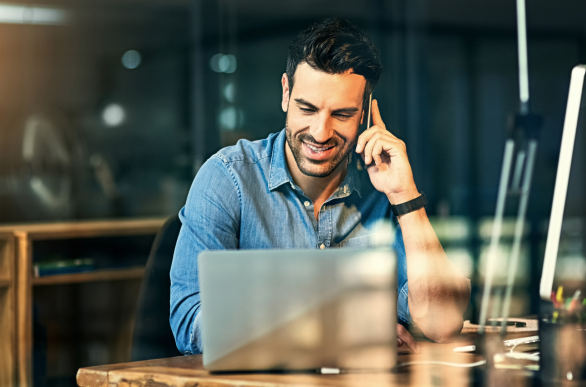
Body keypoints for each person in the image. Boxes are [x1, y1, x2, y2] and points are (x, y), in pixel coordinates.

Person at [170, 17, 470, 356]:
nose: (321, 132)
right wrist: (343, 329)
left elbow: (442, 324)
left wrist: (404, 197)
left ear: (365, 115)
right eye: (307, 109)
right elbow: (191, 325)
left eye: (342, 114)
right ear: (286, 93)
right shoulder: (228, 178)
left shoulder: (383, 191)